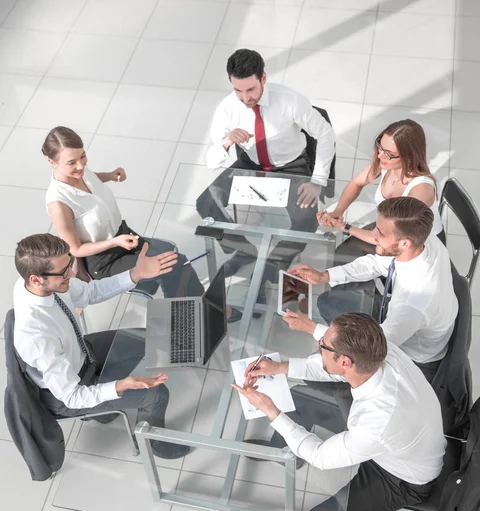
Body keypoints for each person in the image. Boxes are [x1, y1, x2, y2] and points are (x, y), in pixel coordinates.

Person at [234, 312, 446, 511]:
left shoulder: (377, 421)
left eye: (323, 343)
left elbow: (321, 457)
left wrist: (270, 410)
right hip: (400, 438)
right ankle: (283, 451)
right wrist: (281, 367)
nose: (319, 342)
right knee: (304, 402)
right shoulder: (379, 348)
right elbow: (332, 364)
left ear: (346, 361)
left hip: (403, 478)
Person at [13, 233, 190, 460]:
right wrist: (119, 386)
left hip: (80, 352)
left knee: (147, 337)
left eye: (70, 263)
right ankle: (155, 445)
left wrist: (136, 273)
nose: (72, 273)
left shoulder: (38, 282)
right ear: (36, 279)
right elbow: (72, 397)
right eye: (64, 272)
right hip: (68, 392)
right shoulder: (37, 335)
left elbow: (90, 292)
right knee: (156, 395)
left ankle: (103, 410)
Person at [42, 126, 242, 322]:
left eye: (83, 156)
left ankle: (195, 312)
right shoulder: (58, 203)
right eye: (71, 163)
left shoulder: (79, 171)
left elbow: (90, 178)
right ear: (52, 162)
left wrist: (110, 176)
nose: (80, 166)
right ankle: (192, 316)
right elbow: (76, 249)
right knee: (173, 266)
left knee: (177, 263)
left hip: (124, 237)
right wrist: (115, 242)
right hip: (104, 260)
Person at [196, 48, 335, 290]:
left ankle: (276, 261)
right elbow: (211, 162)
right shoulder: (228, 108)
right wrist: (226, 142)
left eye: (250, 89)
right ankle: (244, 251)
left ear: (263, 78)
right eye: (238, 90)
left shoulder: (290, 100)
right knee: (206, 204)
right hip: (251, 164)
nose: (245, 98)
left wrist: (318, 180)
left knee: (307, 220)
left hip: (291, 165)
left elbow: (325, 134)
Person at [285, 197, 458, 383]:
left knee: (324, 373)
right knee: (329, 302)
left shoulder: (413, 305)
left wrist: (312, 329)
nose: (373, 235)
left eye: (381, 233)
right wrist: (325, 276)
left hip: (411, 356)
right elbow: (377, 263)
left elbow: (363, 357)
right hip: (399, 325)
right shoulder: (425, 240)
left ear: (405, 243)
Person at [318, 119, 445, 264]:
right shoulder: (386, 163)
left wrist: (344, 227)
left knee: (351, 263)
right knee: (343, 255)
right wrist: (337, 212)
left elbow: (393, 238)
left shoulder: (421, 189)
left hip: (414, 245)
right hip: (388, 230)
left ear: (409, 155)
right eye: (380, 147)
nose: (380, 156)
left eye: (389, 154)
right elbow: (356, 183)